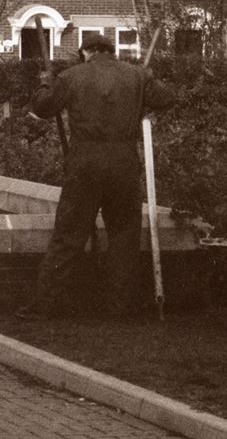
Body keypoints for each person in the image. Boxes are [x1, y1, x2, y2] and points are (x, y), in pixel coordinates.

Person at [16, 33, 175, 320]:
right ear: (110, 51)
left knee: (68, 235)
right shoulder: (135, 75)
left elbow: (42, 107)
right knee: (124, 236)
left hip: (85, 163)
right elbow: (166, 99)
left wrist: (45, 80)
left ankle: (44, 306)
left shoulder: (71, 76)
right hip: (123, 163)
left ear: (87, 51)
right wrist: (149, 79)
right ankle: (120, 308)